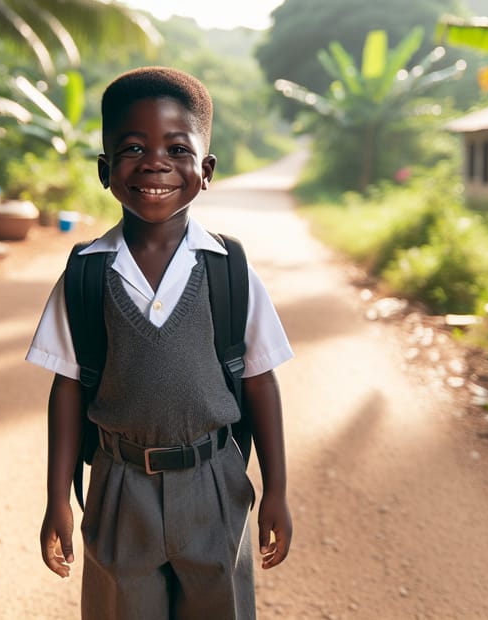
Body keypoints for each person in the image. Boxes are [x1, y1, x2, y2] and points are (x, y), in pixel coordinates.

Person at [26, 66, 293, 619]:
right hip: (120, 487)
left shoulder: (231, 272)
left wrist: (276, 491)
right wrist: (57, 499)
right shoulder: (86, 275)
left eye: (177, 147)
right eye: (131, 147)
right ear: (105, 170)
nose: (154, 163)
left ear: (206, 169)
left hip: (215, 483)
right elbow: (68, 391)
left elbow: (261, 381)